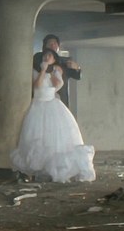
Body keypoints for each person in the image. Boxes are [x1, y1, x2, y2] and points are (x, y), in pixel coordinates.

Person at [11, 48, 95, 182]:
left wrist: (53, 72)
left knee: (58, 135)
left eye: (50, 55)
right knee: (37, 136)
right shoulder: (35, 71)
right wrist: (43, 70)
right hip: (38, 104)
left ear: (54, 59)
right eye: (45, 55)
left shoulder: (56, 71)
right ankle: (38, 169)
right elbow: (37, 86)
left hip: (53, 103)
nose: (47, 57)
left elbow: (58, 85)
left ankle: (58, 168)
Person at [32, 34, 81, 106]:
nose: (53, 46)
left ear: (58, 46)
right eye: (50, 44)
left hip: (61, 98)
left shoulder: (64, 61)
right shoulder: (39, 57)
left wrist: (77, 67)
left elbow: (77, 76)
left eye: (55, 44)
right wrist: (51, 66)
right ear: (45, 46)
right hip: (42, 98)